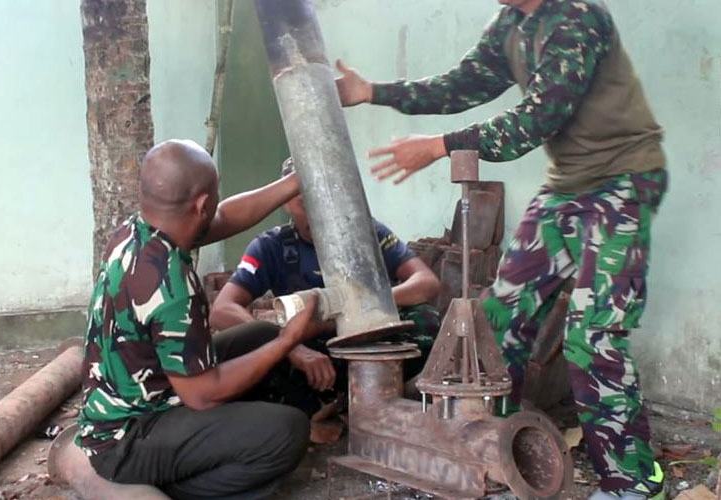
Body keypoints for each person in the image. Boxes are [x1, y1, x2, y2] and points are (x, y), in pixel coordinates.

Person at [334, 1, 668, 499]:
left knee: (592, 336)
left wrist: (438, 146)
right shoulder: (511, 23)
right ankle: (498, 449)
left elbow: (538, 119)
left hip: (623, 182)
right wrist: (372, 92)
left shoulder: (577, 18)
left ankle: (636, 483)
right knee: (496, 319)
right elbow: (459, 86)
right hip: (567, 190)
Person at [77, 139, 323, 500]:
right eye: (215, 193)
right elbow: (203, 396)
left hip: (140, 397)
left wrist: (294, 182)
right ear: (201, 203)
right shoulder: (173, 285)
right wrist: (286, 342)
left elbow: (224, 217)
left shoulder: (135, 232)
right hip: (127, 440)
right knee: (286, 430)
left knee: (256, 334)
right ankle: (182, 489)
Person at [209, 157, 441, 415]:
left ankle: (364, 393)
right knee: (250, 355)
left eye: (324, 199)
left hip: (368, 339)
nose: (317, 212)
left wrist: (363, 301)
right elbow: (222, 309)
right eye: (303, 202)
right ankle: (322, 405)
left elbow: (426, 282)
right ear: (285, 202)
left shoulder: (367, 232)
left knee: (426, 320)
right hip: (310, 346)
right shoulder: (271, 246)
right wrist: (290, 346)